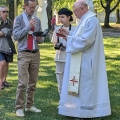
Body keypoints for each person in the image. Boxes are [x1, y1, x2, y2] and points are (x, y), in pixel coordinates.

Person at [57, 0, 111, 119]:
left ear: (82, 8)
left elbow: (85, 41)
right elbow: (79, 36)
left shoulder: (91, 20)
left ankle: (86, 112)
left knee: (86, 87)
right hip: (81, 59)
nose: (74, 13)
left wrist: (67, 38)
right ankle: (77, 110)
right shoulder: (84, 20)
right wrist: (69, 33)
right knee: (79, 86)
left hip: (87, 60)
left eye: (75, 10)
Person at [13, 0, 44, 117]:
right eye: (31, 7)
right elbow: (15, 36)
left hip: (35, 52)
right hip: (24, 53)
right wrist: (28, 27)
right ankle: (19, 107)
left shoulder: (38, 20)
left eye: (34, 7)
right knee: (22, 82)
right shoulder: (19, 19)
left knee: (33, 82)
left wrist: (40, 39)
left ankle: (29, 105)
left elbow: (40, 38)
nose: (33, 10)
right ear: (25, 6)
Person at [51, 8, 76, 95]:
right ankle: (62, 101)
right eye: (60, 17)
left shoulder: (74, 29)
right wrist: (58, 46)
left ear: (69, 17)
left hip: (71, 58)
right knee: (60, 81)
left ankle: (71, 101)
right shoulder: (57, 29)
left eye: (63, 17)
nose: (61, 19)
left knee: (71, 80)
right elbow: (54, 42)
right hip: (60, 57)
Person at [0, 5, 16, 90]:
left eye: (7, 11)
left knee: (6, 64)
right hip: (0, 46)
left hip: (9, 45)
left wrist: (3, 32)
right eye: (3, 11)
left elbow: (12, 32)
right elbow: (8, 32)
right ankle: (0, 82)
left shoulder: (10, 22)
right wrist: (6, 31)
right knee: (2, 63)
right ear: (0, 12)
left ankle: (4, 80)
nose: (5, 13)